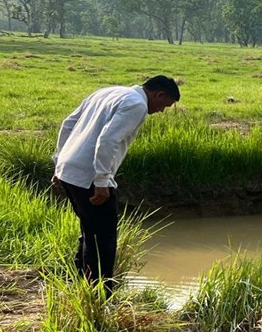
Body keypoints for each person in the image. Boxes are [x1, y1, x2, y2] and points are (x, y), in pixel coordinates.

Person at [52, 75, 180, 296]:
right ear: (159, 94)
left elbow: (68, 124)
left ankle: (81, 287)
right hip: (89, 176)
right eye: (164, 105)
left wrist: (59, 162)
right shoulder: (137, 104)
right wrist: (101, 181)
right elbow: (109, 140)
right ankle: (101, 297)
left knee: (89, 231)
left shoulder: (107, 92)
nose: (161, 111)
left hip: (69, 171)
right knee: (103, 240)